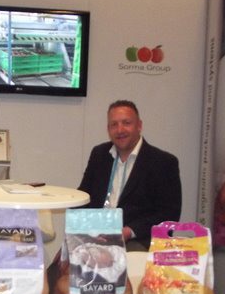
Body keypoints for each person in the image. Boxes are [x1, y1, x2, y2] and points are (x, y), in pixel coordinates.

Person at [78, 99, 182, 251]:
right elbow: (83, 196)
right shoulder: (99, 154)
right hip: (96, 234)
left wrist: (128, 231)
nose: (120, 130)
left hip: (136, 239)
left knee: (116, 261)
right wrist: (74, 233)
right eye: (114, 124)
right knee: (63, 261)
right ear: (108, 129)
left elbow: (169, 214)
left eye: (126, 123)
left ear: (139, 125)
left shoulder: (163, 162)